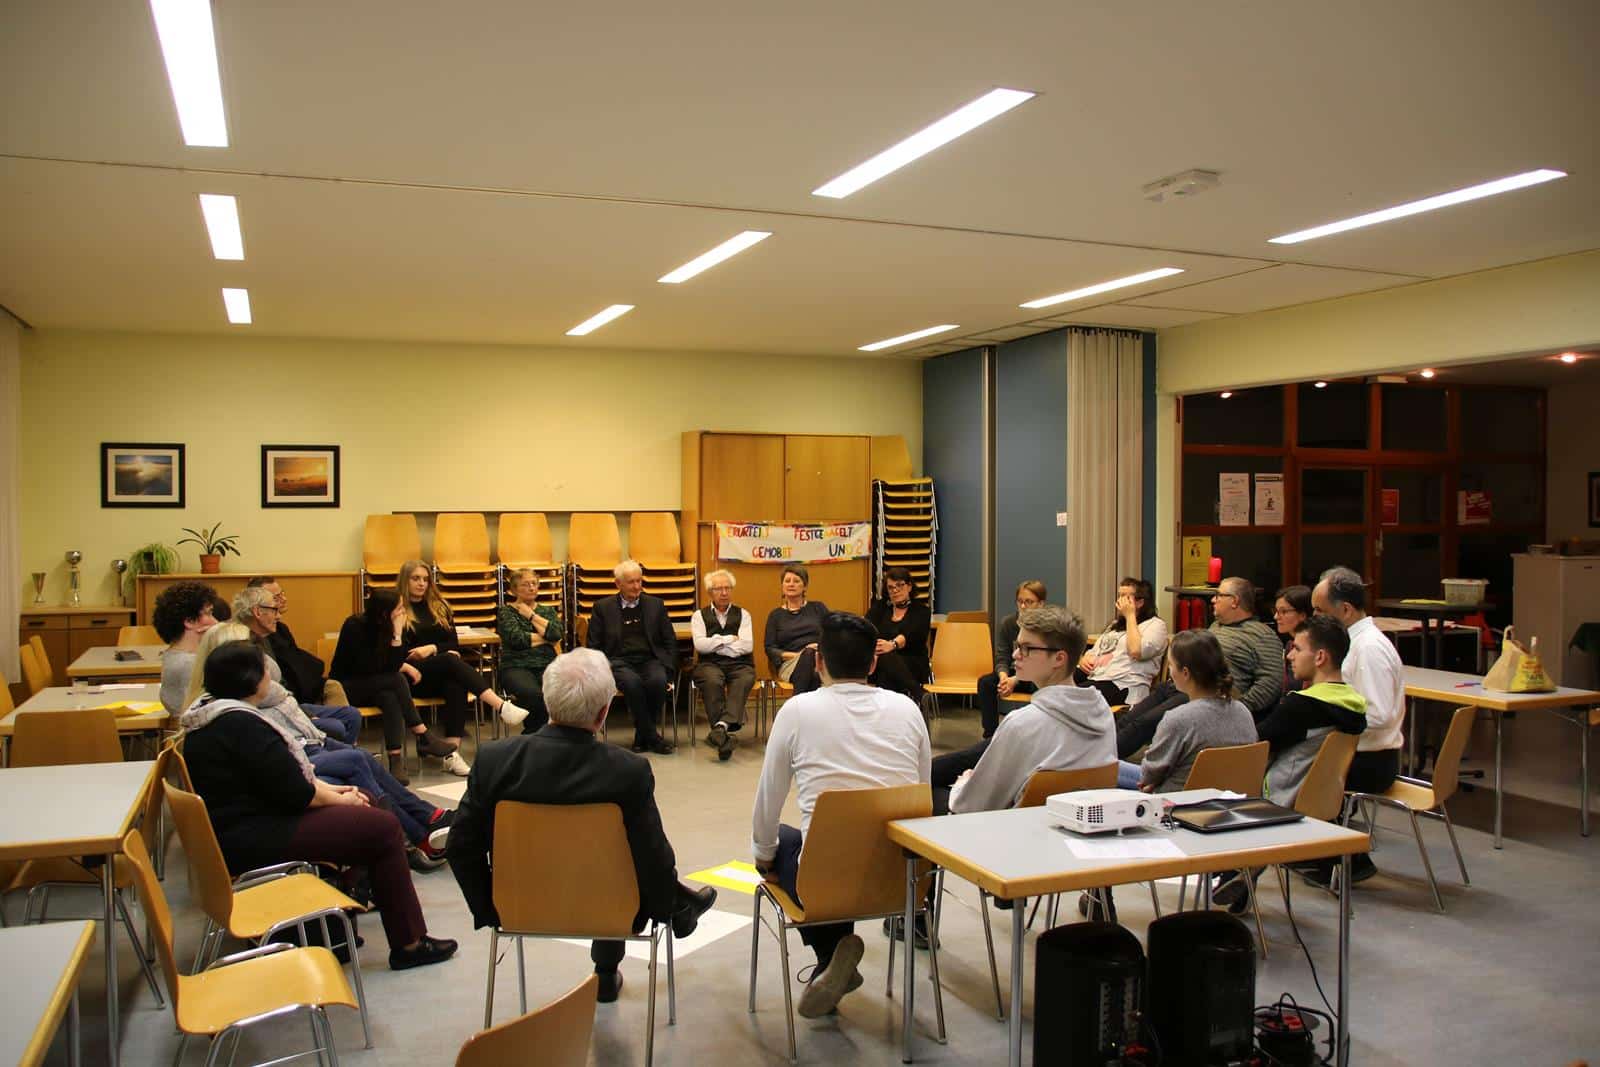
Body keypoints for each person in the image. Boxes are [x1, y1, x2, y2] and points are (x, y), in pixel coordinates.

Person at [445, 648, 716, 1003]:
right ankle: (622, 957)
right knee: (620, 863)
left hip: (519, 905)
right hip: (611, 907)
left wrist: (492, 908)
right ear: (603, 713)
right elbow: (654, 860)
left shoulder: (495, 761)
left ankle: (677, 908)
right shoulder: (627, 771)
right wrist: (665, 907)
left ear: (546, 698)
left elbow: (460, 846)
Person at [177, 640, 458, 970]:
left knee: (365, 802)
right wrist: (341, 799)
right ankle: (409, 943)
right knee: (383, 827)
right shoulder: (242, 725)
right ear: (251, 680)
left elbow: (285, 781)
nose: (270, 675)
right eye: (265, 669)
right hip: (257, 836)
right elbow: (296, 792)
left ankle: (346, 912)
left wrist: (340, 795)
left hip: (243, 828)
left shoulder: (211, 717)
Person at [751, 612, 931, 1019]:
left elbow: (768, 799)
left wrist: (763, 857)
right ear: (873, 663)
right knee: (838, 842)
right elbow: (922, 796)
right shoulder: (907, 709)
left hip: (823, 881)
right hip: (901, 879)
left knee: (784, 840)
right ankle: (831, 964)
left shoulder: (798, 711)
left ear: (818, 662)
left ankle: (829, 956)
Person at [188, 623, 457, 870]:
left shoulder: (240, 704)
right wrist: (337, 796)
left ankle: (425, 822)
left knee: (362, 748)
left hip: (303, 743)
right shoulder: (242, 716)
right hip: (297, 755)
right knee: (356, 759)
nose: (266, 666)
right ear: (239, 669)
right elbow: (290, 779)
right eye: (258, 660)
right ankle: (409, 837)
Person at [1213, 615, 1367, 913]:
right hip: (1321, 802)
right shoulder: (1354, 705)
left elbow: (1254, 746)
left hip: (1277, 800)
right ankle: (1244, 867)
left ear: (1320, 657)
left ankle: (1238, 866)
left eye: (1297, 648)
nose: (1289, 656)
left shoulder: (1302, 706)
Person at [942, 605, 1116, 815]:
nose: (1016, 654)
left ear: (1059, 659)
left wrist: (962, 785)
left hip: (1016, 827)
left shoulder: (1021, 723)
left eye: (1027, 648)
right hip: (1074, 824)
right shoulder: (1102, 712)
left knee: (932, 790)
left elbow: (971, 806)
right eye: (1017, 646)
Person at [1308, 565, 1404, 885]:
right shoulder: (1352, 643)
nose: (1314, 618)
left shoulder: (1369, 649)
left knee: (1295, 774)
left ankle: (1345, 859)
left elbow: (1379, 714)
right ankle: (1322, 853)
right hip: (1358, 753)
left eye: (1320, 611)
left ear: (1346, 610)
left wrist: (1328, 718)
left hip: (1371, 760)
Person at [1115, 576, 1283, 758]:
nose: (1213, 600)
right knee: (1128, 719)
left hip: (1204, 695)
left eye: (1219, 595)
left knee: (1143, 724)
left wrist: (1236, 707)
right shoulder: (1216, 627)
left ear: (1234, 601)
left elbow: (1271, 683)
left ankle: (1101, 764)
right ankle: (1097, 754)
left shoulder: (1262, 635)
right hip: (1176, 685)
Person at [396, 560, 526, 773]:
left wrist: (431, 648)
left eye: (426, 579)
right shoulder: (397, 609)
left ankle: (451, 754)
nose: (421, 583)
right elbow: (397, 653)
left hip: (437, 671)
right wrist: (438, 652)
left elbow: (453, 644)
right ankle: (501, 706)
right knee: (450, 661)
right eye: (416, 579)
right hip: (410, 676)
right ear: (405, 580)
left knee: (455, 683)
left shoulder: (440, 606)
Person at [330, 589, 459, 785]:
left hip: (377, 684)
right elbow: (367, 667)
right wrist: (400, 657)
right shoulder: (354, 626)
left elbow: (393, 663)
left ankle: (395, 759)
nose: (403, 612)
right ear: (384, 613)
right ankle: (423, 734)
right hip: (347, 685)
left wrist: (397, 635)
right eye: (399, 608)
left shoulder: (392, 625)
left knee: (390, 697)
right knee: (396, 679)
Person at [1119, 629, 1257, 792]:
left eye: (1171, 665)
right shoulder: (1243, 711)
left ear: (1185, 673)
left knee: (1106, 767)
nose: (1170, 673)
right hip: (1230, 797)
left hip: (1179, 799)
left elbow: (1147, 775)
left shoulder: (1178, 719)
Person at [234, 585, 362, 744]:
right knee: (337, 727)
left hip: (287, 702)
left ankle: (342, 752)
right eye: (274, 610)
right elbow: (266, 695)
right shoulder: (243, 645)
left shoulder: (265, 638)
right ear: (258, 612)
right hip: (273, 712)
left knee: (352, 715)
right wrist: (304, 715)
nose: (278, 616)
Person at [586, 559, 679, 755]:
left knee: (657, 681)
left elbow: (669, 640)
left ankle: (642, 735)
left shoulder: (656, 605)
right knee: (632, 683)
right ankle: (652, 737)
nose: (637, 586)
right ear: (618, 584)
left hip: (650, 659)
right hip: (618, 661)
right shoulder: (602, 608)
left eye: (639, 581)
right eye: (631, 582)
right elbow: (593, 645)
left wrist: (669, 667)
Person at [245, 576, 353, 711]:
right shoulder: (251, 639)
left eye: (282, 593)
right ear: (257, 609)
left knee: (333, 688)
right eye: (276, 597)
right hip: (282, 697)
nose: (284, 599)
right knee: (345, 716)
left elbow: (296, 662)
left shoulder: (281, 629)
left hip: (299, 687)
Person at [690, 569, 756, 760]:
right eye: (719, 589)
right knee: (712, 680)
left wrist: (716, 644)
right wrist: (728, 639)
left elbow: (746, 646)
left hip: (740, 664)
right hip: (709, 664)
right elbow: (700, 646)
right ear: (710, 592)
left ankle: (720, 728)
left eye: (728, 588)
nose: (724, 592)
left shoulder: (743, 614)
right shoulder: (699, 616)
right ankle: (724, 734)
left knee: (744, 679)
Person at [1076, 577, 1168, 706]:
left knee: (1071, 695)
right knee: (1055, 681)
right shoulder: (1115, 625)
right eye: (1119, 595)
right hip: (1097, 675)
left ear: (1140, 602)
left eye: (1125, 596)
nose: (1119, 601)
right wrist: (1085, 659)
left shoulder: (1156, 625)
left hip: (1123, 683)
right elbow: (1096, 650)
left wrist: (1130, 615)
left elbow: (1136, 651)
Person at [496, 567, 565, 735]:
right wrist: (546, 637)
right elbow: (517, 639)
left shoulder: (547, 611)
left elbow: (557, 634)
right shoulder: (506, 612)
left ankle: (537, 737)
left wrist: (531, 616)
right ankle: (538, 735)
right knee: (533, 694)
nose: (531, 588)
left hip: (547, 664)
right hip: (516, 666)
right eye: (525, 584)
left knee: (560, 691)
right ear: (514, 590)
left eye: (534, 583)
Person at [975, 580, 1047, 740]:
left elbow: (1040, 663)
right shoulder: (1008, 624)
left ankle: (1037, 735)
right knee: (986, 683)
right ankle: (990, 736)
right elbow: (1002, 656)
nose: (1023, 606)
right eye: (1020, 601)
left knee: (1042, 686)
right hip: (1013, 673)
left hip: (1035, 676)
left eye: (1029, 602)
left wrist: (1015, 680)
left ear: (1041, 604)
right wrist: (1004, 678)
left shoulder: (1047, 627)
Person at [864, 567, 931, 705]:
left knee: (886, 664)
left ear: (909, 586)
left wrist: (892, 645)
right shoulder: (881, 607)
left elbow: (913, 634)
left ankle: (886, 709)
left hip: (912, 661)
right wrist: (876, 648)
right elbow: (866, 627)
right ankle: (918, 694)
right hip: (880, 661)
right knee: (884, 664)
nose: (895, 590)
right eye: (891, 587)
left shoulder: (921, 610)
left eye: (899, 585)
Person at [762, 563, 829, 695]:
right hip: (790, 663)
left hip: (820, 660)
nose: (791, 584)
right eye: (787, 581)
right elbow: (770, 649)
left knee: (814, 669)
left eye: (796, 581)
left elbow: (832, 633)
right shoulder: (775, 615)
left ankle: (797, 703)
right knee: (809, 657)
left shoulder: (818, 608)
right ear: (782, 586)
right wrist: (800, 654)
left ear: (805, 586)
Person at [153, 579, 218, 714]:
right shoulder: (189, 664)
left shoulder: (173, 656)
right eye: (208, 613)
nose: (215, 621)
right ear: (189, 621)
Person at [1272, 584, 1314, 695]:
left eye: (1283, 611)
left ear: (1302, 615)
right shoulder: (1289, 645)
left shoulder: (1313, 647)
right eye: (1276, 611)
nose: (1276, 617)